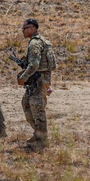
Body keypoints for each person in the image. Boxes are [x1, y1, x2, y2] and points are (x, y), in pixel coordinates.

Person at [18, 18, 55, 151]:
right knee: (27, 104)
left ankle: (43, 140)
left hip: (38, 81)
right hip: (40, 80)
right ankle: (38, 134)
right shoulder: (41, 42)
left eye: (26, 27)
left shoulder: (35, 43)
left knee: (37, 109)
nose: (23, 30)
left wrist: (23, 77)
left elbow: (34, 65)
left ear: (33, 28)